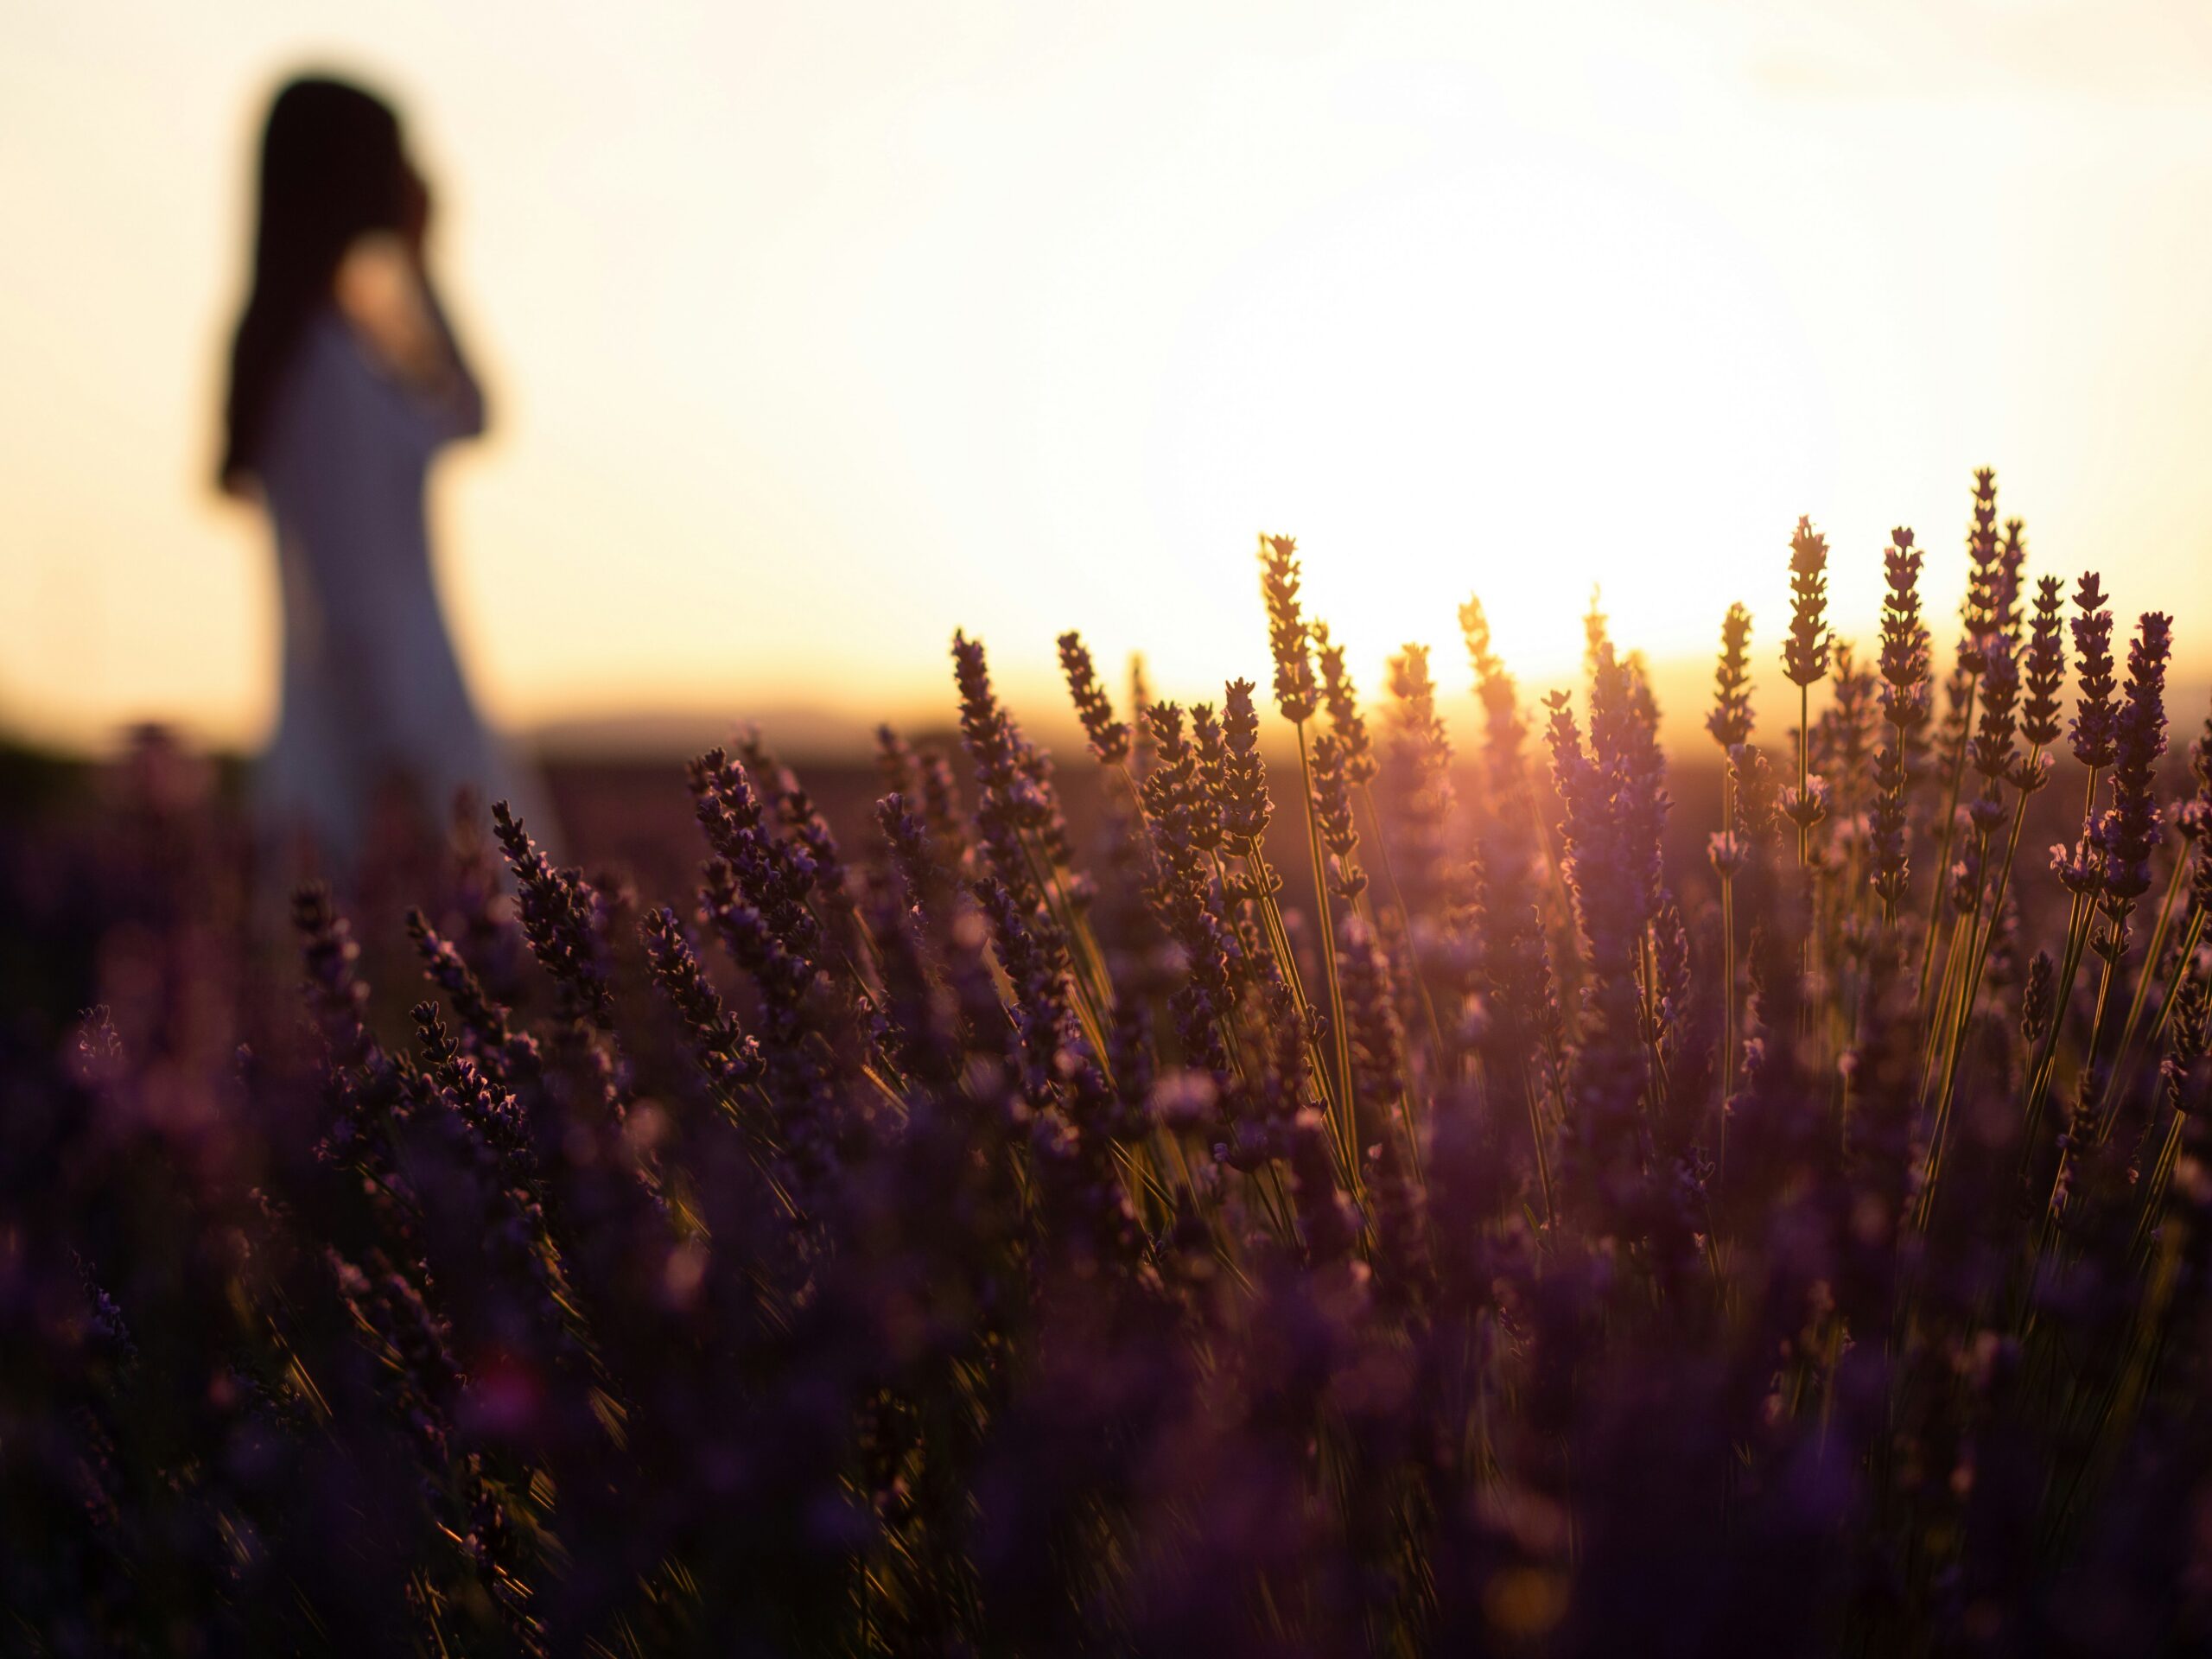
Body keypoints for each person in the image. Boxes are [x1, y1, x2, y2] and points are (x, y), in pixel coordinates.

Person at [219, 74, 550, 879]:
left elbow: (470, 412)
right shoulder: (324, 367)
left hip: (397, 736)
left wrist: (421, 264)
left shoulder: (341, 340)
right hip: (392, 751)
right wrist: (399, 772)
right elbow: (349, 594)